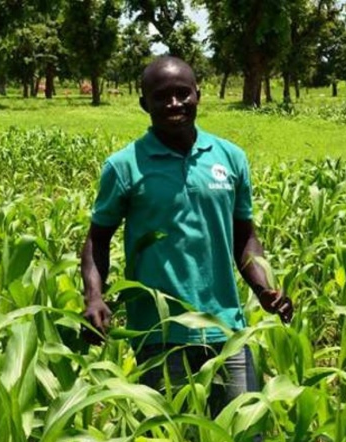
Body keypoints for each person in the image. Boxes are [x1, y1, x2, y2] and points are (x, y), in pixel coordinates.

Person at [80, 56, 293, 417]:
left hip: (227, 329)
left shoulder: (230, 157)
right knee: (172, 441)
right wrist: (94, 297)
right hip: (159, 334)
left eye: (183, 94)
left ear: (199, 94)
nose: (174, 103)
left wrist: (264, 288)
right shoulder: (124, 165)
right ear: (144, 104)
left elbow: (244, 237)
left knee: (245, 437)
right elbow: (97, 239)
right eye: (162, 97)